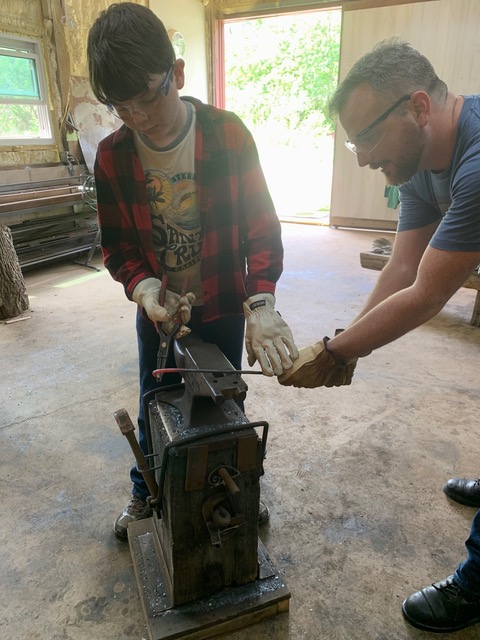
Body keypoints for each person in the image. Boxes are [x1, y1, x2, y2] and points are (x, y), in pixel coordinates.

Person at [279, 38, 480, 632]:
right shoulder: (420, 164)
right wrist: (349, 342)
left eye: (366, 137)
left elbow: (427, 295)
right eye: (353, 141)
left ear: (417, 107)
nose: (362, 159)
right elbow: (400, 269)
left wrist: (336, 352)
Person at [87, 3, 298, 540]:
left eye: (147, 98)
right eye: (120, 107)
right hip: (161, 314)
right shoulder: (112, 157)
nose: (137, 118)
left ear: (177, 75)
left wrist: (262, 302)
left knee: (227, 398)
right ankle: (146, 490)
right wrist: (145, 287)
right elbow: (118, 247)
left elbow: (261, 229)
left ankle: (240, 483)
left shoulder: (228, 135)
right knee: (155, 398)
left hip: (224, 301)